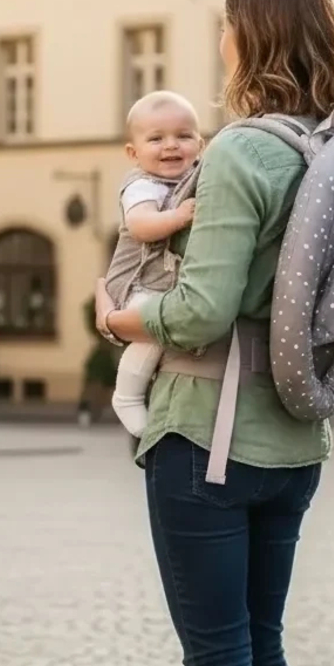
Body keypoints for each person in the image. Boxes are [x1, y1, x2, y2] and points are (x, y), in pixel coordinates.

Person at [95, 0, 334, 666]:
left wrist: (124, 319)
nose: (220, 42)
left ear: (249, 38)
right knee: (263, 652)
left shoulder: (244, 150)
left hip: (208, 437)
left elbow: (203, 307)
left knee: (220, 663)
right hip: (296, 439)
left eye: (226, 27)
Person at [104, 92, 201, 436]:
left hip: (164, 283)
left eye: (183, 136)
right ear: (133, 153)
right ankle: (127, 396)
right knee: (153, 330)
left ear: (200, 145)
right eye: (157, 139)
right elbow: (141, 226)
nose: (171, 145)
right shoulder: (143, 185)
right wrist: (179, 217)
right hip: (137, 282)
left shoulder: (194, 178)